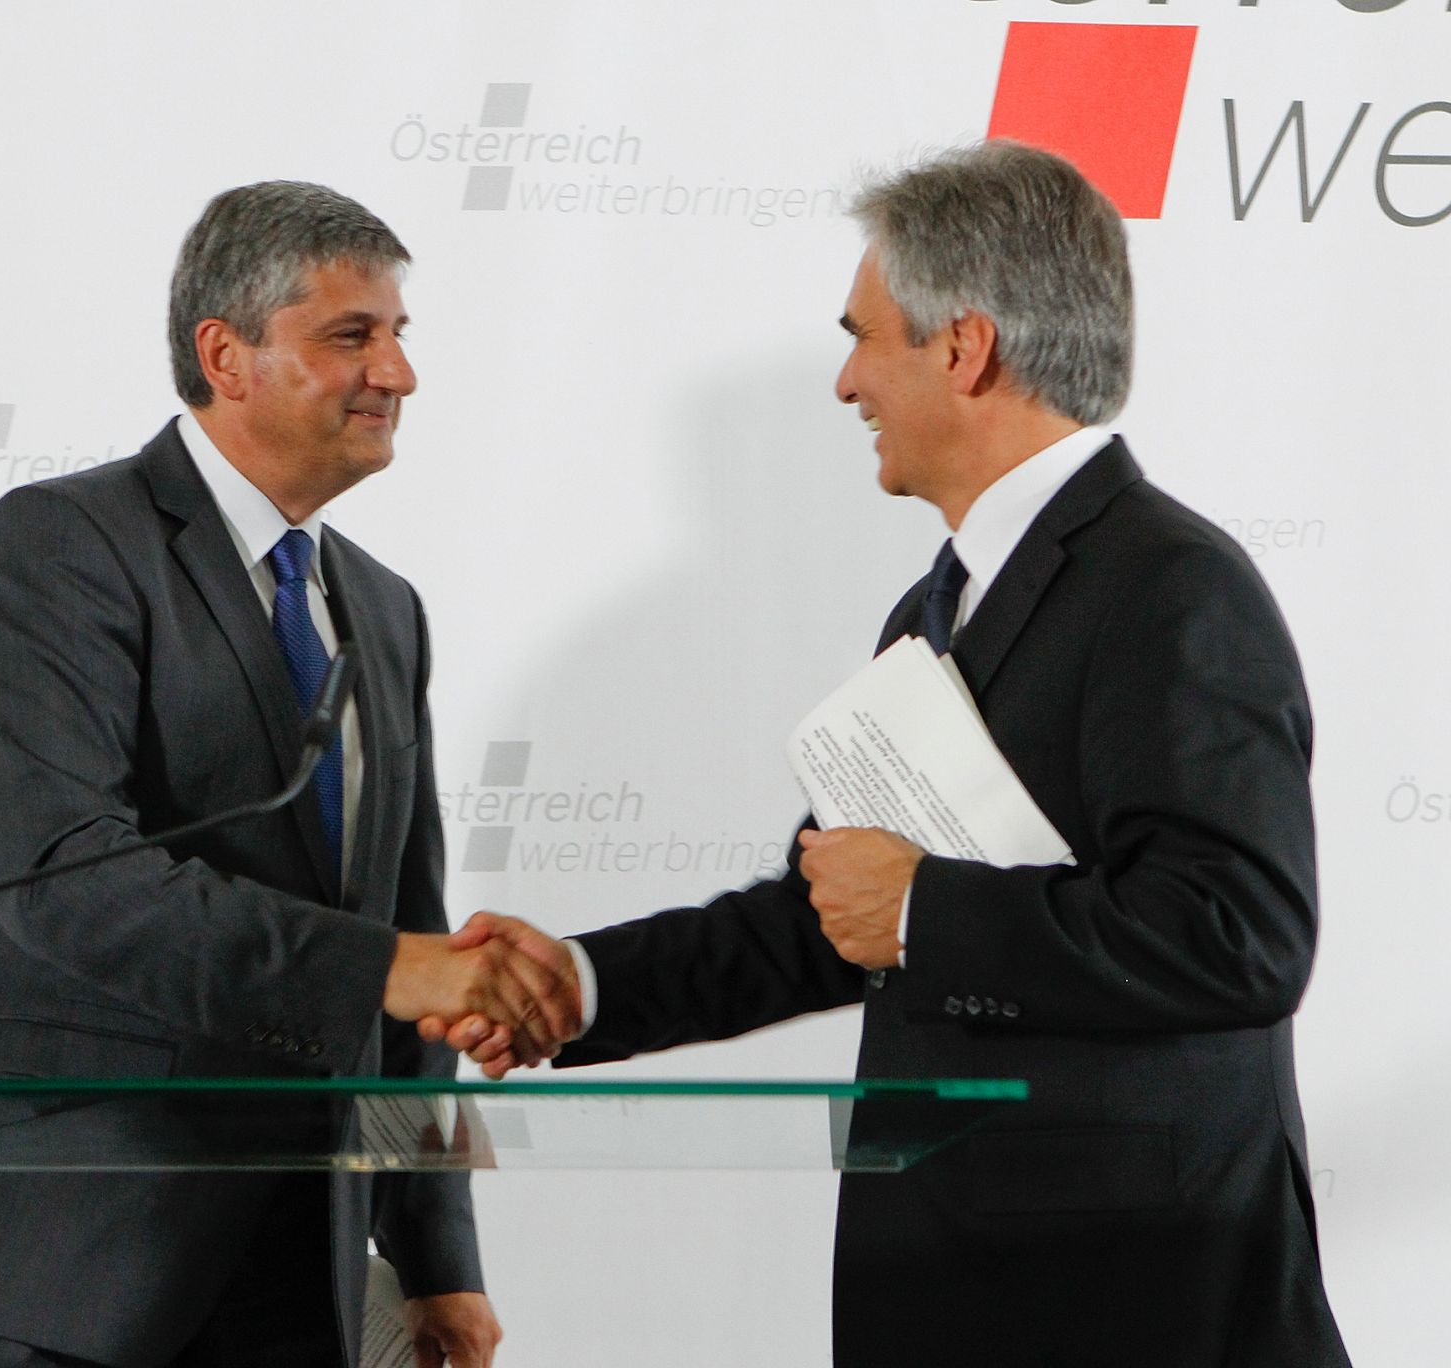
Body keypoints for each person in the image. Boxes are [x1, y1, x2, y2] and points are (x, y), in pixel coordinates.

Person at [436, 142, 1351, 1367]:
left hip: (1130, 1303)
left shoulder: (1172, 588)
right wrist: (581, 987)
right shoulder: (933, 607)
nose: (843, 381)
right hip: (957, 1286)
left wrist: (922, 910)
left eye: (862, 337)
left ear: (962, 347)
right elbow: (828, 918)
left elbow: (1238, 936)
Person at [0, 181, 577, 1368]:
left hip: (303, 1269)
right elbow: (65, 880)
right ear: (225, 355)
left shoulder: (381, 608)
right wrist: (389, 967)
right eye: (351, 336)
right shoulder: (61, 545)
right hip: (75, 1263)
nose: (396, 373)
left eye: (397, 335)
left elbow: (411, 930)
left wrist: (436, 1252)